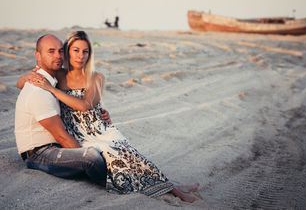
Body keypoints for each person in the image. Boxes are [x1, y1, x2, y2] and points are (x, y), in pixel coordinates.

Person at [17, 31, 199, 202]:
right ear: (67, 53)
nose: (80, 56)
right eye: (76, 51)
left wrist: (51, 90)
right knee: (114, 157)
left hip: (97, 128)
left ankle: (173, 188)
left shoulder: (96, 77)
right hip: (79, 132)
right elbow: (23, 81)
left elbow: (84, 105)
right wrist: (29, 78)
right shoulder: (58, 74)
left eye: (85, 51)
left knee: (130, 153)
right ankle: (166, 188)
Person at [14, 34, 108, 186]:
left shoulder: (52, 81)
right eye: (51, 51)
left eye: (60, 51)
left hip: (56, 146)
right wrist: (81, 153)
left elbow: (80, 104)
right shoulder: (39, 90)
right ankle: (112, 183)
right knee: (91, 157)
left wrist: (100, 113)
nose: (57, 56)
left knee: (104, 148)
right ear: (38, 55)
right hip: (39, 154)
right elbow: (61, 136)